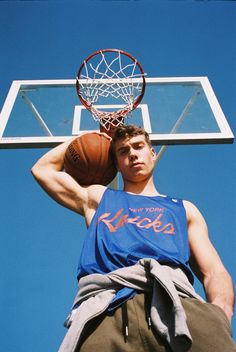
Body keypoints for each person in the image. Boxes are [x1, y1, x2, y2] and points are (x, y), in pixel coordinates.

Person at [31, 125, 235, 352]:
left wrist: (220, 315)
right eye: (122, 151)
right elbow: (43, 170)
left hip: (179, 305)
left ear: (153, 152)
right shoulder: (99, 198)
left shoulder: (183, 209)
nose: (132, 154)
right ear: (116, 164)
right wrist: (91, 138)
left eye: (138, 146)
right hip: (107, 311)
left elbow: (214, 272)